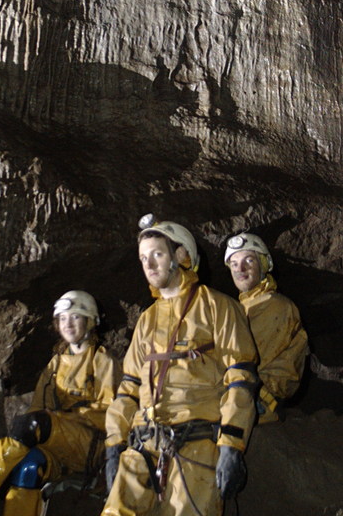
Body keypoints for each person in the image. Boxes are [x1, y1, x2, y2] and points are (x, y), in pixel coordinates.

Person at [102, 214, 258, 516]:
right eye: (143, 258)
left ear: (181, 255)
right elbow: (129, 388)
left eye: (157, 254)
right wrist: (113, 447)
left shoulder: (218, 306)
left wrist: (231, 446)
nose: (148, 264)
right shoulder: (147, 320)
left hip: (196, 445)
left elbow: (240, 378)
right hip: (143, 446)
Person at [0, 290, 120, 516]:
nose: (68, 324)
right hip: (59, 446)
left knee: (34, 424)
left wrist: (62, 418)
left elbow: (110, 414)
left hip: (90, 445)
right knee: (29, 465)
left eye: (75, 317)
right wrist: (50, 422)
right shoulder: (55, 366)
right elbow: (37, 408)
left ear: (90, 321)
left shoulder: (103, 361)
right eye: (62, 318)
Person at [224, 233, 309, 423]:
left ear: (263, 265)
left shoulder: (276, 305)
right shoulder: (240, 308)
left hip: (257, 401)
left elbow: (245, 358)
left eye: (249, 260)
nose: (241, 268)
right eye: (234, 263)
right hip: (239, 395)